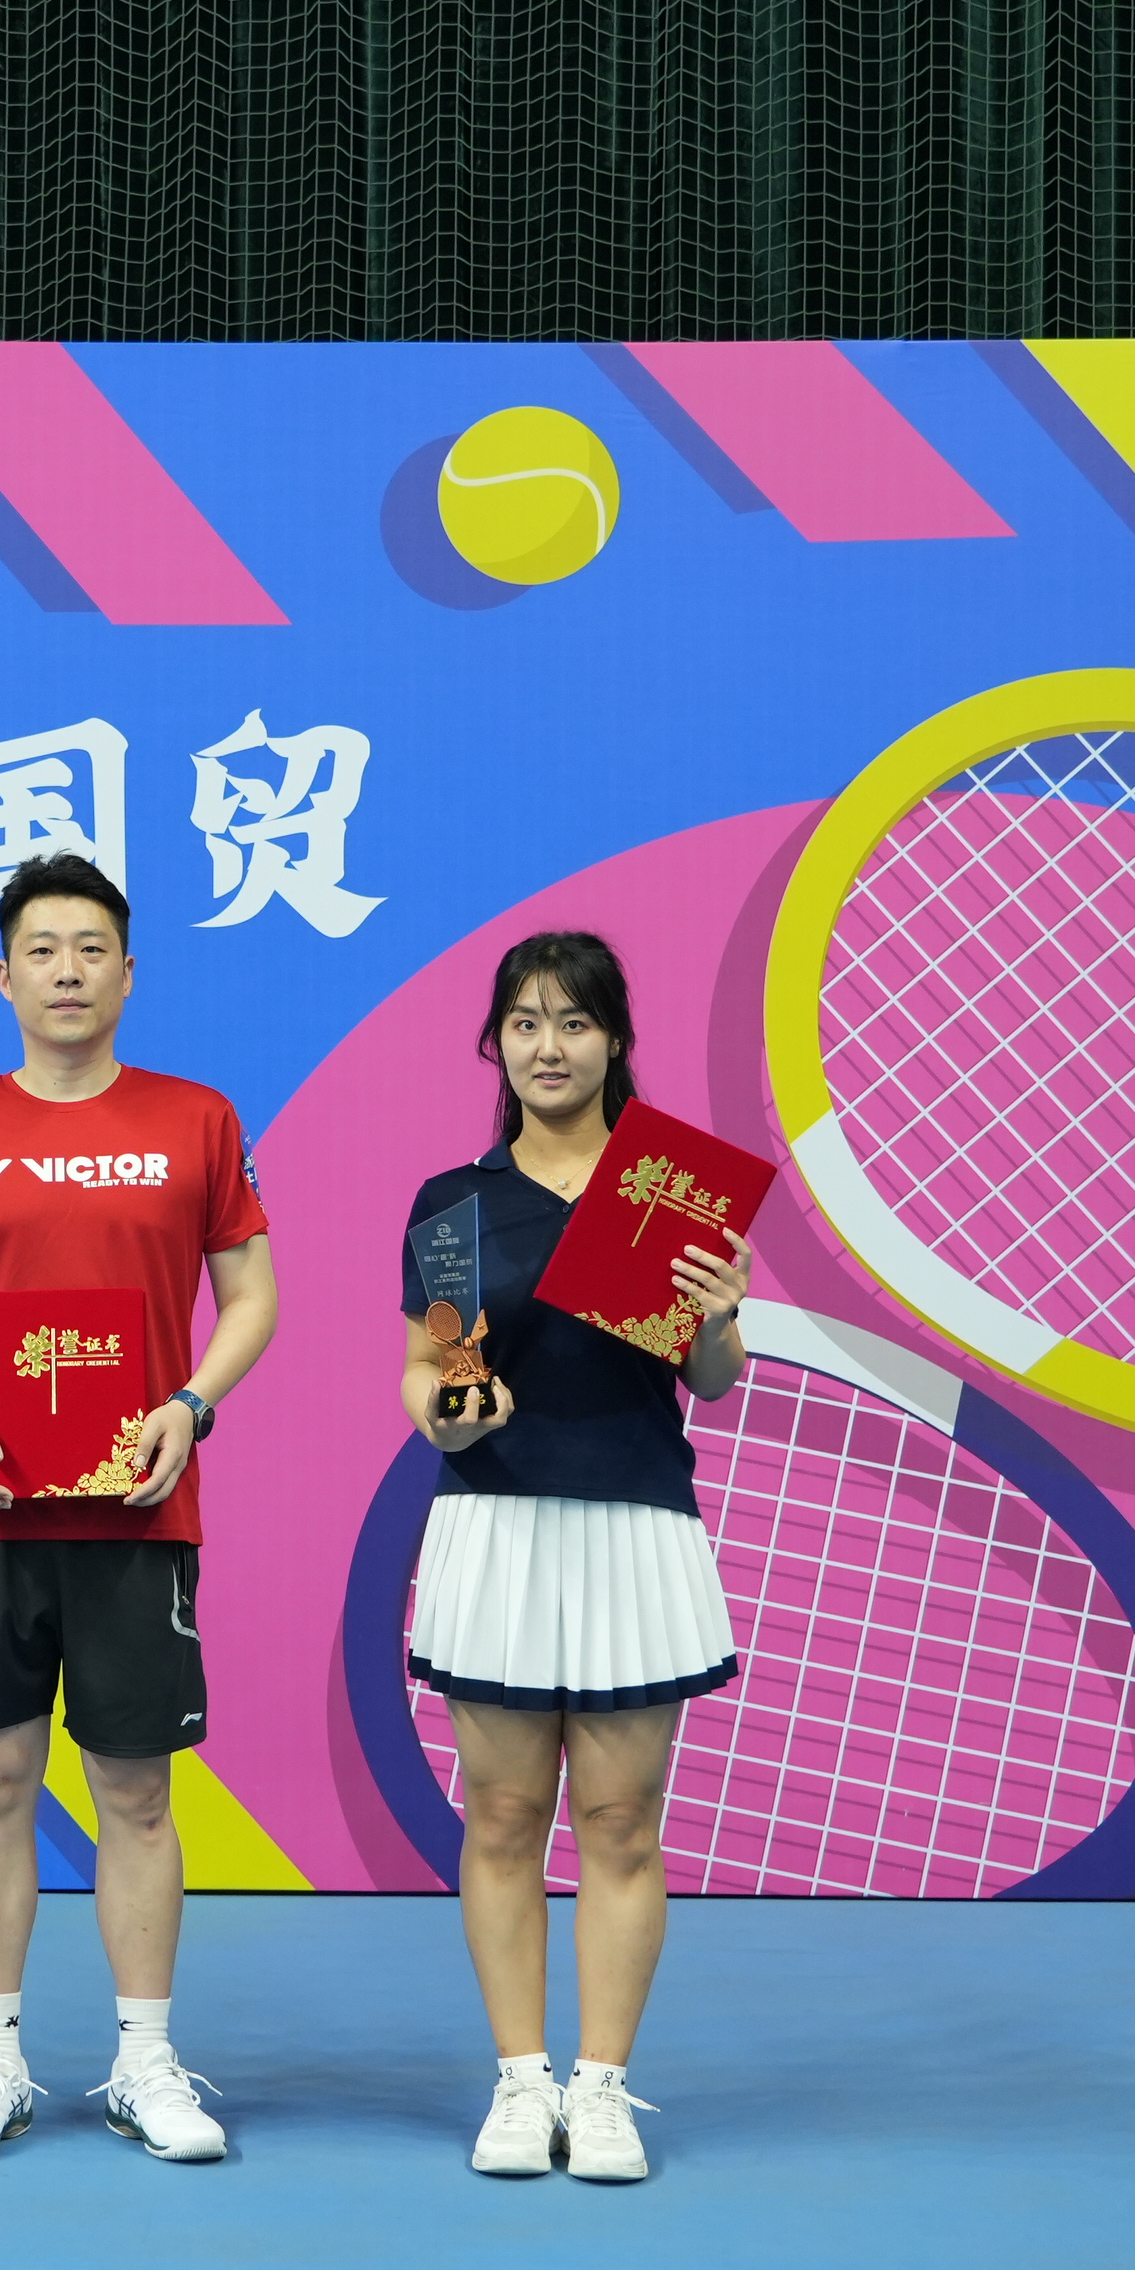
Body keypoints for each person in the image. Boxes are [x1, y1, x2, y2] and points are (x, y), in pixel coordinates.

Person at [0, 854, 279, 2162]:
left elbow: (253, 1296)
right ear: (3, 975)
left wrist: (191, 1403)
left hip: (138, 1511)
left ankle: (146, 2064)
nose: (67, 971)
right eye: (42, 950)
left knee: (136, 1794)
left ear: (129, 972)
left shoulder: (196, 1121)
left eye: (92, 948)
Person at [397, 932, 751, 2183]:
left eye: (575, 1022)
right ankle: (520, 2081)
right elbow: (428, 1371)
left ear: (614, 1040)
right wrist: (453, 1413)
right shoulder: (454, 1201)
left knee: (620, 1823)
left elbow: (711, 1378)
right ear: (495, 1043)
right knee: (502, 1815)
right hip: (496, 1523)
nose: (549, 1047)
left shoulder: (671, 1192)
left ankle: (600, 2090)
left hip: (635, 1522)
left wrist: (720, 1317)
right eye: (526, 1022)